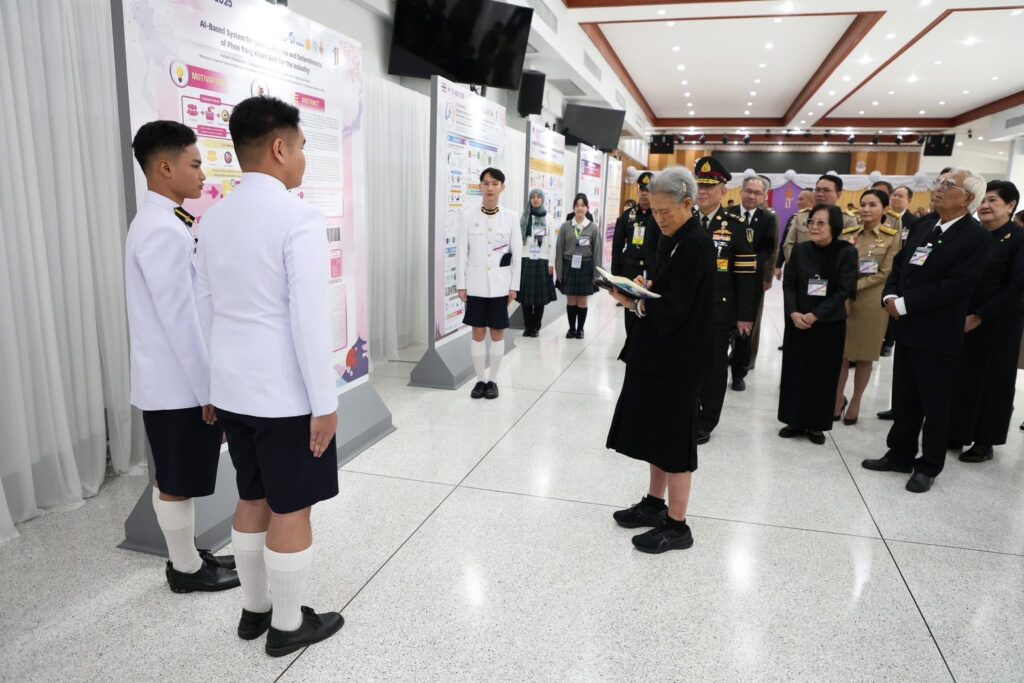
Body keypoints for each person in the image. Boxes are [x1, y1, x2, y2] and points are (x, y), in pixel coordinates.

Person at [195, 96, 344, 655]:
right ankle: (286, 625)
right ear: (280, 148)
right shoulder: (298, 217)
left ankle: (254, 610)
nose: (303, 158)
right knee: (292, 507)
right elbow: (308, 319)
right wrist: (325, 403)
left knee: (252, 495)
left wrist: (211, 386)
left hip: (233, 389)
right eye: (302, 146)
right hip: (284, 396)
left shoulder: (213, 219)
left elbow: (204, 309)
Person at [125, 121, 239, 594]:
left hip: (174, 381)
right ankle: (185, 570)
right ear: (164, 167)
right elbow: (180, 318)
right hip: (178, 385)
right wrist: (207, 388)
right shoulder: (161, 229)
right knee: (176, 479)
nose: (203, 173)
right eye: (194, 164)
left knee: (180, 475)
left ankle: (188, 557)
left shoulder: (168, 221)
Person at [605, 166, 715, 553]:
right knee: (653, 434)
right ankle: (654, 504)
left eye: (666, 211)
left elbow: (677, 309)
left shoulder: (697, 243)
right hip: (656, 355)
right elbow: (669, 289)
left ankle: (677, 524)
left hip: (678, 361)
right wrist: (645, 288)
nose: (659, 219)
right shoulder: (674, 237)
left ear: (688, 203)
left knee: (675, 443)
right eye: (654, 211)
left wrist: (631, 300)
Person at [862, 168, 990, 493]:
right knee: (905, 398)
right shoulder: (923, 224)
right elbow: (901, 265)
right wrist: (891, 295)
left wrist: (905, 304)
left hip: (937, 333)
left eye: (949, 185)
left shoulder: (975, 237)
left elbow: (956, 286)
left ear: (968, 199)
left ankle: (929, 465)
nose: (939, 188)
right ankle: (900, 454)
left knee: (934, 403)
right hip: (908, 328)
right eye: (939, 183)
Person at [948, 181, 1024, 462]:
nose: (985, 206)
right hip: (965, 319)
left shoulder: (1017, 239)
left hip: (999, 324)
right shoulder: (977, 236)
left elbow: (1017, 286)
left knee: (993, 382)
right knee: (964, 378)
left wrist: (980, 315)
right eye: (983, 200)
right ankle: (957, 432)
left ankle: (984, 441)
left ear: (1010, 205)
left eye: (993, 200)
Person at [692, 156, 758, 444]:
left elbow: (746, 276)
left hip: (719, 310)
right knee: (687, 364)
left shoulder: (736, 225)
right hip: (687, 310)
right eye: (699, 185)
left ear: (723, 190)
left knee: (714, 367)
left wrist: (744, 316)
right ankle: (688, 413)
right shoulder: (685, 220)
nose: (703, 191)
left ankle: (706, 420)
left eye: (710, 186)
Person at [778, 205, 857, 444]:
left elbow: (844, 290)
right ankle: (794, 419)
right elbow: (789, 284)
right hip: (798, 321)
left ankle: (815, 425)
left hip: (828, 324)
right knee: (795, 370)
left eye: (821, 223)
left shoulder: (846, 252)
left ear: (834, 226)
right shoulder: (801, 251)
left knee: (822, 373)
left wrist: (815, 316)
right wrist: (793, 313)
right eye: (812, 222)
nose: (814, 226)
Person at [833, 190, 900, 424]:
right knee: (840, 352)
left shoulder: (891, 237)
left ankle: (857, 400)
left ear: (884, 209)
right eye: (863, 204)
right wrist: (843, 292)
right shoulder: (847, 234)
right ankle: (837, 398)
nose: (866, 209)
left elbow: (885, 272)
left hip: (872, 301)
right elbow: (836, 265)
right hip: (844, 299)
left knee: (864, 356)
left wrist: (851, 287)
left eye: (873, 205)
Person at [456, 167, 522, 398]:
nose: (490, 187)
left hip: (500, 285)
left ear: (502, 187)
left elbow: (517, 255)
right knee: (477, 332)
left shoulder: (511, 218)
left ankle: (493, 380)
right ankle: (479, 380)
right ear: (480, 187)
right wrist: (461, 284)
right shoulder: (467, 217)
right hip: (475, 284)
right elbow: (461, 253)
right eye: (486, 183)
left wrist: (514, 286)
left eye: (495, 183)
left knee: (496, 333)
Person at [727, 174, 778, 389]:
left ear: (764, 196)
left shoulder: (767, 219)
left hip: (751, 280)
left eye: (757, 193)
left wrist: (750, 264)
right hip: (726, 278)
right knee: (723, 322)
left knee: (746, 326)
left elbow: (769, 248)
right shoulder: (727, 214)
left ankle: (739, 372)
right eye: (748, 191)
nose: (751, 196)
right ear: (741, 191)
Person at [611, 171, 660, 334]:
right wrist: (615, 275)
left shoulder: (660, 216)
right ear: (638, 191)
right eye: (642, 190)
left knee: (651, 310)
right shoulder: (627, 216)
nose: (645, 194)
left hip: (652, 271)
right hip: (630, 270)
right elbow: (617, 247)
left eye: (649, 190)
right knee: (630, 312)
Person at [555, 193, 602, 339]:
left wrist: (596, 274)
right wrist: (560, 271)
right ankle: (571, 329)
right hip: (569, 265)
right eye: (577, 205)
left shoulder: (593, 227)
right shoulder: (565, 227)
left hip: (586, 265)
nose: (580, 208)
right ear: (573, 208)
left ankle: (580, 329)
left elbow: (597, 251)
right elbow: (559, 249)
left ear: (587, 208)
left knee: (582, 300)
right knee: (571, 299)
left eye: (583, 205)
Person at [782, 175, 858, 262]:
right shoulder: (801, 216)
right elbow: (788, 244)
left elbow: (848, 249)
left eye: (826, 190)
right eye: (817, 190)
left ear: (838, 194)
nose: (820, 194)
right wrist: (797, 265)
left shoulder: (848, 219)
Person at [880, 185, 919, 356]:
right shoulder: (884, 218)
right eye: (894, 195)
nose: (896, 198)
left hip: (902, 268)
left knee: (895, 305)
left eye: (901, 196)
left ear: (909, 201)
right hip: (882, 264)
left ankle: (889, 341)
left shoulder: (914, 222)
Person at [517, 188, 557, 337]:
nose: (535, 199)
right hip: (525, 259)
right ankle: (528, 326)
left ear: (542, 199)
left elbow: (552, 243)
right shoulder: (523, 217)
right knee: (525, 298)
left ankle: (536, 327)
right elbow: (517, 241)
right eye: (532, 197)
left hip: (542, 260)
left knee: (539, 299)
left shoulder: (549, 218)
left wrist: (551, 264)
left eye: (538, 196)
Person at [775, 188, 814, 281]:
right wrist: (778, 265)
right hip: (792, 266)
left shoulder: (819, 218)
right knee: (789, 294)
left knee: (813, 294)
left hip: (812, 268)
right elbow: (785, 242)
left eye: (801, 199)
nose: (798, 202)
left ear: (812, 202)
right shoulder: (793, 217)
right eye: (798, 199)